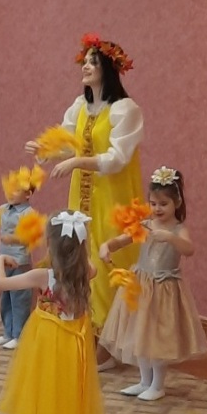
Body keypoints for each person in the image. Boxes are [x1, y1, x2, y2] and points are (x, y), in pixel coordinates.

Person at [25, 33, 144, 370]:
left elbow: (117, 158)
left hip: (111, 198)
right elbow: (66, 143)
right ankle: (85, 332)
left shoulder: (125, 109)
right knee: (79, 258)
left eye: (93, 62)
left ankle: (110, 343)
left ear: (108, 68)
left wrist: (78, 161)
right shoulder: (80, 107)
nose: (86, 67)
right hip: (81, 197)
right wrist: (45, 150)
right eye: (85, 62)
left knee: (106, 262)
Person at [0, 210, 107, 414]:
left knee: (49, 393)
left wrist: (0, 259)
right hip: (77, 343)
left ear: (50, 245)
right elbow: (83, 259)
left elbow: (0, 283)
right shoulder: (88, 271)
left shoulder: (43, 276)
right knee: (73, 393)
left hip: (49, 341)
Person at [99, 167, 207, 401]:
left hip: (164, 288)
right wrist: (107, 246)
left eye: (163, 204)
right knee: (139, 333)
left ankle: (157, 385)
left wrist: (171, 238)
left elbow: (189, 250)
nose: (157, 208)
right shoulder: (146, 225)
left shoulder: (178, 229)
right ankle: (144, 381)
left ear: (177, 202)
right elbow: (123, 239)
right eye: (153, 203)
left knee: (157, 337)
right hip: (141, 285)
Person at [0, 186, 36, 350]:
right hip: (4, 261)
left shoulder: (29, 213)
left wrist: (14, 239)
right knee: (6, 299)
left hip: (19, 261)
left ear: (28, 194)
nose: (10, 192)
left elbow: (31, 237)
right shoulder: (4, 208)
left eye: (16, 190)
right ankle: (8, 333)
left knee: (19, 299)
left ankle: (19, 335)